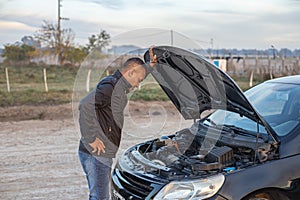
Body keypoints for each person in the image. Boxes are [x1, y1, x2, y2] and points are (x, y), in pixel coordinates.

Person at [78, 47, 157, 200]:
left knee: (100, 195)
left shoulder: (118, 86)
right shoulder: (110, 87)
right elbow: (85, 104)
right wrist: (91, 138)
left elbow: (136, 75)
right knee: (100, 197)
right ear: (131, 73)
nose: (137, 85)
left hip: (99, 153)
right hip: (97, 154)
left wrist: (149, 67)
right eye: (138, 81)